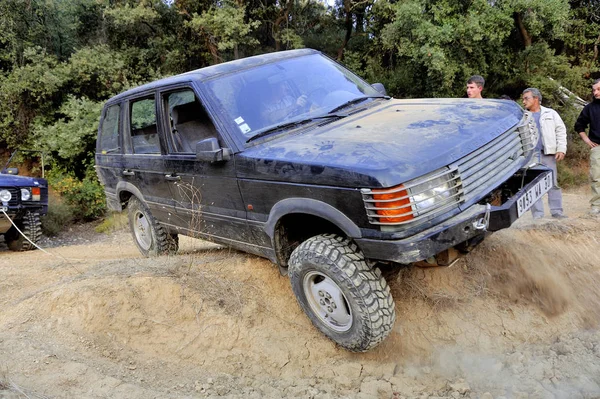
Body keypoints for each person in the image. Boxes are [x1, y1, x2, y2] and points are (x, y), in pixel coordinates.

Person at [521, 88, 568, 219]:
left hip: (548, 154)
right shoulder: (522, 116)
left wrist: (561, 149)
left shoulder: (550, 113)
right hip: (530, 156)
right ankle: (538, 215)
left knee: (553, 183)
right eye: (523, 98)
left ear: (536, 99)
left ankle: (557, 211)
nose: (523, 101)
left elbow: (560, 131)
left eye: (526, 98)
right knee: (532, 185)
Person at [574, 78, 600, 216]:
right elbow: (579, 125)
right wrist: (587, 140)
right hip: (597, 148)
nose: (596, 92)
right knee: (597, 177)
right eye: (594, 90)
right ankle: (596, 206)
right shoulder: (590, 108)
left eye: (599, 89)